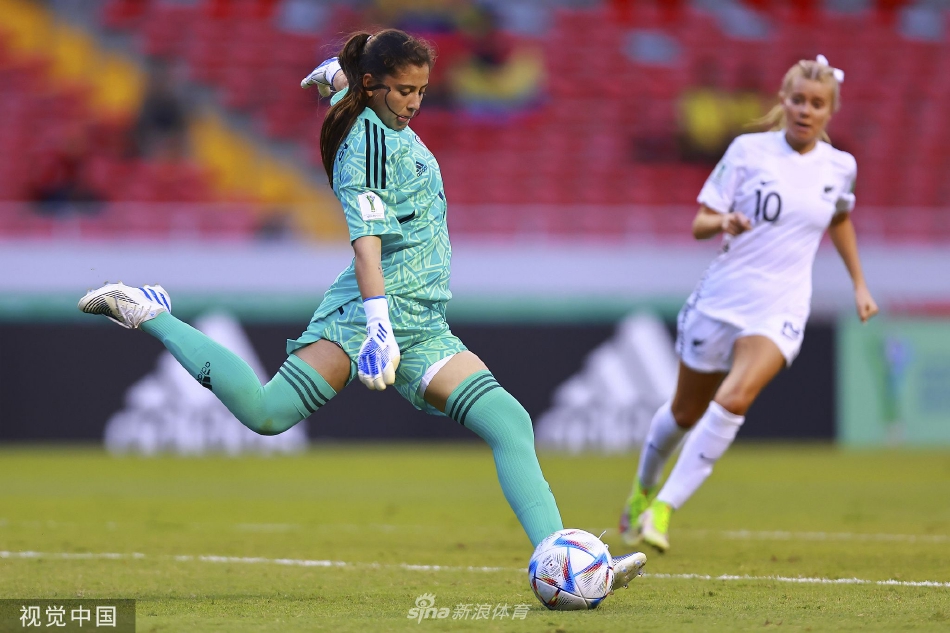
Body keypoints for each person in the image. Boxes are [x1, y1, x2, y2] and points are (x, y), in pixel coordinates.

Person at [79, 28, 647, 588]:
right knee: (267, 413)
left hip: (422, 324)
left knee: (509, 421)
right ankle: (152, 313)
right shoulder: (364, 148)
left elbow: (355, 108)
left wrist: (337, 83)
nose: (414, 103)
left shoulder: (375, 115)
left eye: (421, 91)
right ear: (374, 86)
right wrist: (376, 325)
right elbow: (366, 244)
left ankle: (560, 559)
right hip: (364, 316)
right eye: (403, 91)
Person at [619, 55, 879, 552]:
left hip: (780, 307)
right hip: (722, 298)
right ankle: (642, 490)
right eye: (798, 99)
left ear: (830, 111)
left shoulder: (839, 167)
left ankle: (663, 509)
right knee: (684, 411)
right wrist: (725, 222)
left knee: (735, 398)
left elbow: (840, 219)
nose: (805, 109)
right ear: (783, 102)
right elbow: (700, 223)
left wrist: (859, 284)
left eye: (816, 103)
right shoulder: (747, 151)